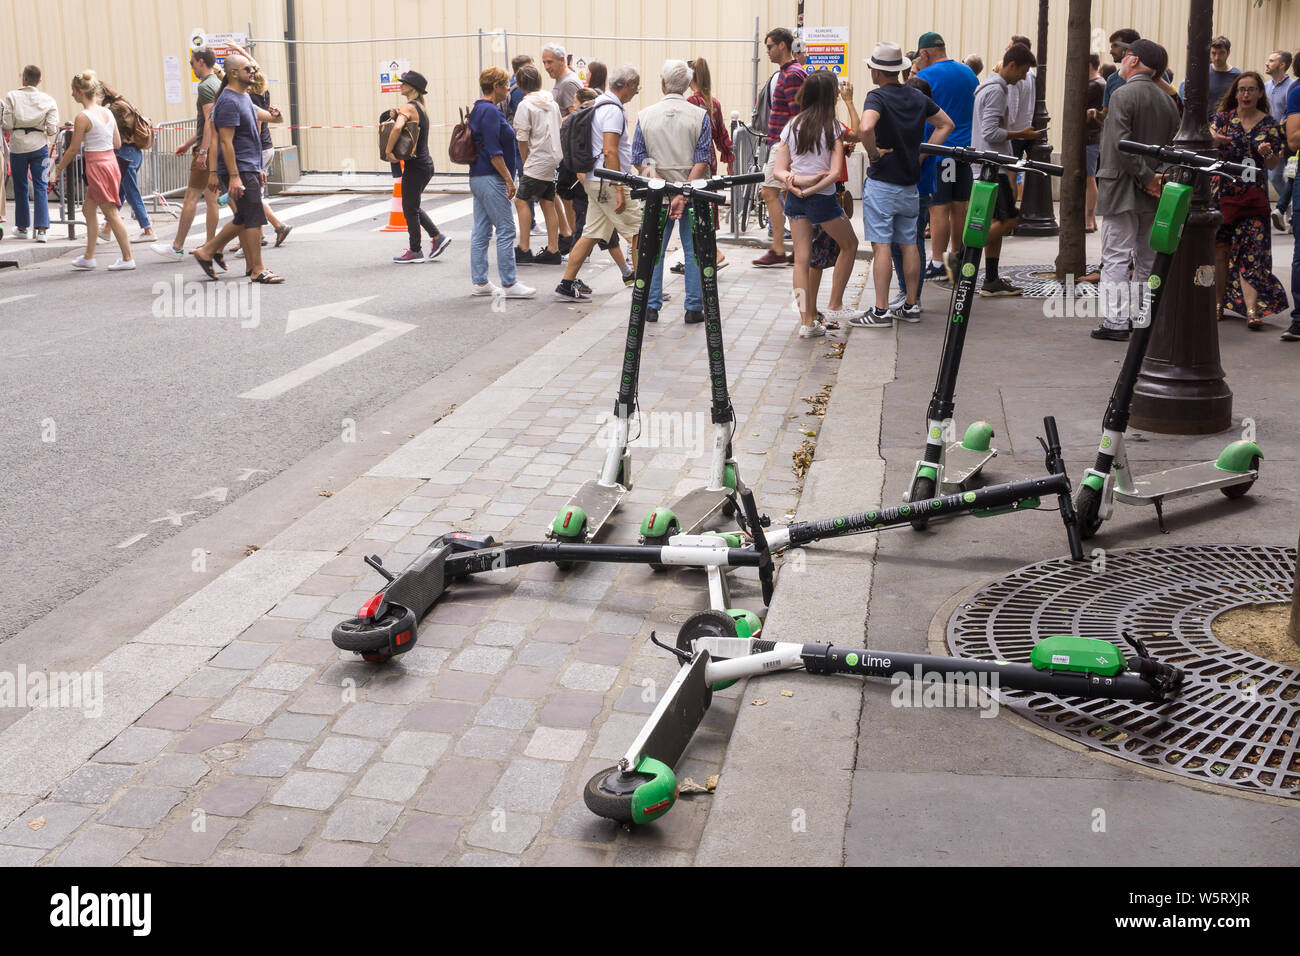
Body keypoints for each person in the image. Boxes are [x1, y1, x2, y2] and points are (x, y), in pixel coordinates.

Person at [1091, 39, 1180, 341]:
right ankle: (1142, 316)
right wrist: (1157, 178)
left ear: (1133, 60)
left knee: (1115, 255)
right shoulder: (1167, 100)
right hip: (1154, 188)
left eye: (1126, 55)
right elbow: (1173, 147)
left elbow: (1121, 143)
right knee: (1146, 257)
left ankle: (1115, 322)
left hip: (1122, 185)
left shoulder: (1122, 94)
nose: (1122, 60)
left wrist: (1145, 177)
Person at [860, 42, 953, 325]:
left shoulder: (876, 97)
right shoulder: (916, 96)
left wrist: (874, 153)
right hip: (910, 184)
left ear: (876, 71)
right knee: (909, 243)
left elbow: (865, 127)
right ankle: (911, 304)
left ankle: (880, 309)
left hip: (883, 182)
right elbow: (946, 124)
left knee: (882, 245)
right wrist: (923, 151)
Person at [773, 69, 859, 337]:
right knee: (850, 244)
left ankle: (806, 322)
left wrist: (796, 184)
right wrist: (813, 187)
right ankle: (835, 305)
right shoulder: (832, 127)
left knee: (801, 260)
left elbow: (779, 170)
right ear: (830, 95)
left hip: (795, 199)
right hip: (822, 200)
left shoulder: (792, 125)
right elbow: (834, 172)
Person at [191, 54, 284, 283]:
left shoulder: (243, 98)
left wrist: (276, 115)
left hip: (248, 166)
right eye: (247, 68)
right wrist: (233, 176)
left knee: (245, 216)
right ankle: (257, 269)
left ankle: (208, 251)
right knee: (252, 216)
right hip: (239, 169)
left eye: (252, 67)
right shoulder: (229, 102)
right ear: (233, 73)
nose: (252, 71)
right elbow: (224, 142)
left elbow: (271, 120)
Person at [632, 59, 712, 325]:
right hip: (694, 194)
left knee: (653, 249)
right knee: (694, 251)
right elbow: (703, 159)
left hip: (657, 196)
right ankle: (693, 307)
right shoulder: (700, 116)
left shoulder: (645, 116)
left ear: (663, 83)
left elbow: (639, 157)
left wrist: (661, 184)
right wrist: (683, 192)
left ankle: (651, 306)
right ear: (688, 84)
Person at [555, 66, 643, 302]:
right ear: (627, 85)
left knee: (591, 233)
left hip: (595, 179)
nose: (636, 92)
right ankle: (645, 287)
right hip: (609, 181)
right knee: (639, 231)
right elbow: (610, 150)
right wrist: (620, 188)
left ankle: (566, 283)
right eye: (636, 87)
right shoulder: (613, 110)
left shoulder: (598, 103)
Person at [1210, 72, 1288, 329]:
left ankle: (1252, 309)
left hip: (1252, 198)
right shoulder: (1222, 119)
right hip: (1222, 195)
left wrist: (1267, 153)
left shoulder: (1269, 125)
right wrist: (1214, 139)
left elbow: (1274, 163)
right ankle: (1218, 304)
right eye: (1241, 89)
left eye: (1251, 89)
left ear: (1259, 94)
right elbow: (1206, 140)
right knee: (1219, 251)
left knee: (1251, 254)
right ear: (1235, 93)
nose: (1245, 94)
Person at [969, 43, 1037, 297]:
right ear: (1012, 65)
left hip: (989, 164)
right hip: (992, 165)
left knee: (996, 220)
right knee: (1008, 219)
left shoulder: (989, 86)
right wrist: (1022, 133)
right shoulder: (997, 90)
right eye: (1022, 71)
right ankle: (964, 254)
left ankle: (992, 278)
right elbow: (990, 132)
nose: (1023, 78)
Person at [52, 70, 133, 270]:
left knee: (110, 212)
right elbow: (117, 143)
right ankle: (89, 256)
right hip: (110, 163)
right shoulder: (107, 112)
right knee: (89, 209)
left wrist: (59, 167)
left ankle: (127, 258)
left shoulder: (82, 117)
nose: (71, 95)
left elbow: (72, 149)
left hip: (96, 166)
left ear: (80, 92)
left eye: (73, 91)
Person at [914, 33, 978, 283]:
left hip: (941, 151)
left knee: (939, 207)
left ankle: (938, 262)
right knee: (960, 206)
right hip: (966, 150)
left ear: (925, 53)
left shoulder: (926, 76)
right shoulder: (969, 73)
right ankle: (957, 259)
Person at [152, 47, 222, 264]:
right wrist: (187, 143)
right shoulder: (218, 84)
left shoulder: (205, 87)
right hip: (215, 147)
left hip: (207, 149)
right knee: (212, 199)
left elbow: (210, 122)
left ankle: (177, 246)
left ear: (201, 62)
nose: (192, 68)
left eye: (192, 63)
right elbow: (209, 124)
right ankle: (211, 245)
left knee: (191, 197)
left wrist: (202, 151)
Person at [467, 67, 533, 298]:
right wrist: (509, 179)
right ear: (495, 86)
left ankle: (481, 282)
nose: (508, 89)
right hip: (491, 176)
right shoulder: (491, 112)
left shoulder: (477, 109)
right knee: (506, 229)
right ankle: (509, 282)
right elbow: (494, 151)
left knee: (482, 230)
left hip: (477, 175)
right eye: (505, 85)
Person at [384, 69, 450, 264]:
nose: (401, 85)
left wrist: (388, 151)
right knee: (412, 205)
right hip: (424, 164)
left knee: (409, 207)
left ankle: (415, 250)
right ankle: (438, 238)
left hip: (416, 166)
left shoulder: (409, 107)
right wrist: (398, 113)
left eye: (404, 83)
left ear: (412, 87)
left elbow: (397, 128)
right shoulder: (419, 107)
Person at [754, 28, 806, 268]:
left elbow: (798, 116)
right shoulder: (789, 73)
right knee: (786, 194)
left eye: (770, 46)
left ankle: (778, 248)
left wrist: (790, 151)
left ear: (783, 46)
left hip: (785, 145)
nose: (767, 51)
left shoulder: (792, 74)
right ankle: (797, 247)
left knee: (769, 192)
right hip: (783, 144)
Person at [888, 75, 938, 312]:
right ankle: (906, 292)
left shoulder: (924, 123)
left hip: (917, 187)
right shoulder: (925, 121)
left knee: (910, 242)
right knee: (905, 242)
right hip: (918, 187)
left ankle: (912, 296)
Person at [683, 56, 735, 269]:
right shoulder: (713, 102)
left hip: (694, 158)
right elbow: (722, 134)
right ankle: (707, 250)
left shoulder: (691, 103)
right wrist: (729, 159)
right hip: (710, 158)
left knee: (693, 203)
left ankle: (710, 252)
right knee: (707, 201)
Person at [511, 64, 564, 265]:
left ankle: (524, 248)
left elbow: (522, 137)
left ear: (520, 84)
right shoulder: (552, 103)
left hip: (537, 158)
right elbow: (559, 126)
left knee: (521, 200)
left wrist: (525, 162)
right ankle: (553, 249)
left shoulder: (525, 106)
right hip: (553, 156)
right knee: (547, 200)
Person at [3, 65, 59, 242]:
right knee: (41, 187)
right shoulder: (48, 100)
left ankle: (22, 227)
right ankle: (42, 231)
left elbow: (7, 124)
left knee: (20, 187)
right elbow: (51, 129)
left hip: (18, 146)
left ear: (24, 79)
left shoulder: (11, 96)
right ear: (39, 81)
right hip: (40, 147)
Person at [97, 83, 157, 244]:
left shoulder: (114, 110)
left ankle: (148, 228)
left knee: (131, 192)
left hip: (125, 154)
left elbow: (107, 130)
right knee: (120, 192)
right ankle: (107, 229)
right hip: (133, 153)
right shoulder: (124, 103)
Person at [543, 42, 582, 253]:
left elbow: (577, 113)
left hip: (569, 149)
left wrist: (550, 122)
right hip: (563, 148)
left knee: (569, 198)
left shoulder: (568, 83)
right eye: (544, 62)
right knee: (565, 196)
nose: (547, 66)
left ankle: (576, 244)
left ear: (561, 60)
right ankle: (573, 241)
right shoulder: (561, 81)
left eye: (550, 62)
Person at [248, 69, 291, 249]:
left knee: (253, 196)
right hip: (266, 148)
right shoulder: (263, 92)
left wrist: (254, 156)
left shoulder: (253, 98)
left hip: (260, 150)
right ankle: (259, 233)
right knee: (254, 194)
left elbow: (256, 129)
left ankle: (277, 226)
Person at [1264, 50, 1295, 231]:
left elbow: (1288, 113)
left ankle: (1287, 209)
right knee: (1276, 176)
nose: (1267, 63)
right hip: (1269, 138)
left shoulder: (1291, 86)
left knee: (1284, 176)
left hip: (1286, 139)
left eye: (1271, 60)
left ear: (1282, 65)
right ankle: (1288, 209)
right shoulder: (1267, 86)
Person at [1179, 36, 1241, 123]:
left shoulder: (1237, 76)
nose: (1217, 57)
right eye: (1214, 53)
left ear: (1228, 52)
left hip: (1226, 123)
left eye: (1221, 53)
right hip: (1202, 123)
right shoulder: (1200, 72)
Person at [1085, 53, 1106, 232]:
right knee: (1089, 178)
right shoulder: (1100, 84)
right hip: (1092, 136)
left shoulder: (1096, 85)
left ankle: (1088, 219)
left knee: (1089, 178)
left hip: (1090, 137)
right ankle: (1089, 219)